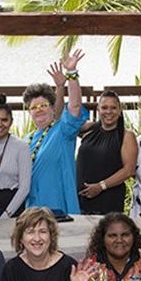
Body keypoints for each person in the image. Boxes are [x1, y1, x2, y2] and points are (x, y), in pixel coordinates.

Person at [24, 50, 88, 215]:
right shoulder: (26, 140)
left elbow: (74, 106)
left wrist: (72, 74)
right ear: (29, 112)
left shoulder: (62, 131)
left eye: (43, 105)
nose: (39, 110)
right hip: (32, 212)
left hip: (60, 210)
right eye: (34, 107)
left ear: (53, 108)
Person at [77, 90, 137, 215]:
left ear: (120, 111)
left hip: (108, 201)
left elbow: (129, 170)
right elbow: (65, 123)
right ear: (98, 109)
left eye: (113, 108)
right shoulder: (89, 130)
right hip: (80, 201)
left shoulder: (126, 136)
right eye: (104, 107)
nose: (108, 112)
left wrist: (101, 186)